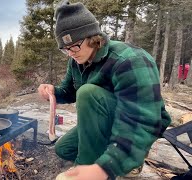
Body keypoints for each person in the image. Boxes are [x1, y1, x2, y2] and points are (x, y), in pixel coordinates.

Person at [37, 1, 172, 179]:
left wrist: (103, 169)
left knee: (87, 93)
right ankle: (105, 153)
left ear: (92, 37)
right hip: (103, 120)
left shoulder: (130, 61)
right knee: (63, 149)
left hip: (134, 122)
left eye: (75, 45)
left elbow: (142, 122)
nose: (71, 53)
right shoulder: (76, 60)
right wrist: (52, 92)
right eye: (65, 49)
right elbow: (69, 92)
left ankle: (128, 159)